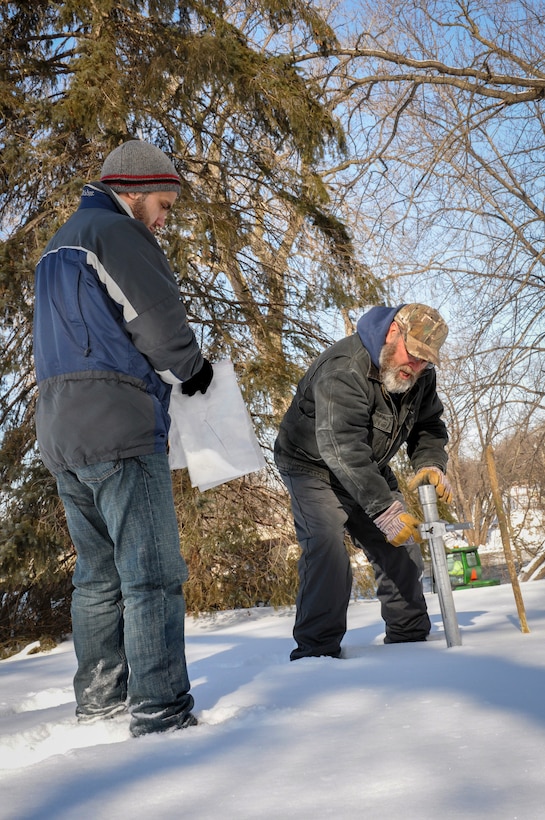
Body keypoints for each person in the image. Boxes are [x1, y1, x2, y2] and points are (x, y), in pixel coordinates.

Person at [33, 139, 213, 736]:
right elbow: (157, 320)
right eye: (163, 204)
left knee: (97, 575)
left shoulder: (56, 246)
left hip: (62, 431)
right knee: (152, 573)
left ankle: (100, 703)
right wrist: (193, 368)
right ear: (133, 192)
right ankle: (161, 711)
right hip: (117, 424)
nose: (165, 218)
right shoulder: (116, 234)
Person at [274, 303, 453, 660]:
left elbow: (428, 425)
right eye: (413, 355)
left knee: (401, 548)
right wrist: (384, 509)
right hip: (312, 466)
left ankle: (412, 646)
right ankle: (316, 657)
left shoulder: (419, 375)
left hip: (366, 464)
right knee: (327, 551)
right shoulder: (344, 369)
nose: (415, 367)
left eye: (424, 361)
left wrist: (430, 461)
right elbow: (341, 447)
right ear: (393, 334)